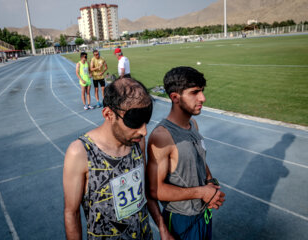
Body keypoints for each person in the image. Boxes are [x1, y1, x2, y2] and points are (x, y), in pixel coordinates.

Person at [63, 77, 173, 240]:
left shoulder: (137, 142)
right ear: (108, 114)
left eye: (146, 121)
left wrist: (162, 228)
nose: (144, 131)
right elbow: (71, 213)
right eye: (134, 122)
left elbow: (144, 192)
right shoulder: (80, 152)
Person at [147, 66, 226, 240]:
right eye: (195, 92)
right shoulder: (162, 136)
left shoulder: (193, 125)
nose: (203, 98)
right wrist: (201, 192)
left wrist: (210, 183)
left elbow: (200, 159)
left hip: (203, 214)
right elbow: (154, 190)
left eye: (202, 91)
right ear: (175, 97)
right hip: (181, 220)